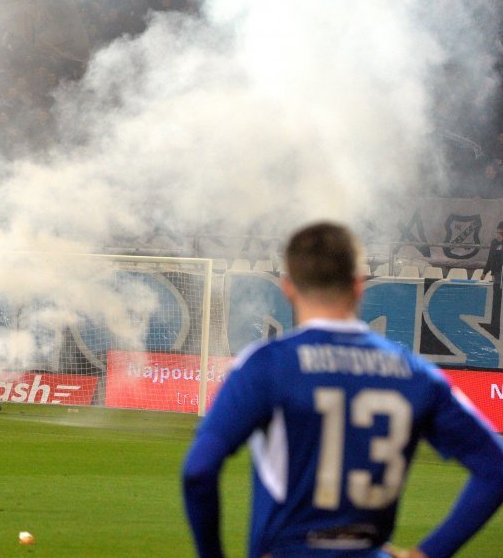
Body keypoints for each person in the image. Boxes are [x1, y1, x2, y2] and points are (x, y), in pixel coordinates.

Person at [182, 222, 503, 558]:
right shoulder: (416, 373)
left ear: (288, 287)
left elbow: (198, 471)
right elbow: (495, 468)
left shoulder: (267, 364)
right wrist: (429, 552)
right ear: (359, 285)